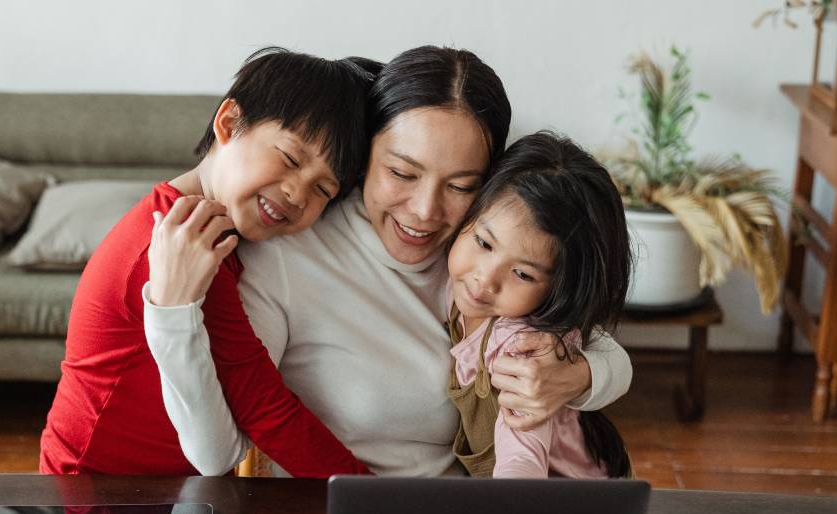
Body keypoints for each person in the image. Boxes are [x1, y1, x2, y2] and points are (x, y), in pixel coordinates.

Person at [144, 46, 634, 477]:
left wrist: (578, 376)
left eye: (461, 186)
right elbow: (219, 451)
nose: (424, 212)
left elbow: (600, 345)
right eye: (401, 173)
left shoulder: (478, 255)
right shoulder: (287, 255)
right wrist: (171, 314)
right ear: (363, 156)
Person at [39, 47, 375, 475]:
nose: (297, 193)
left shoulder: (218, 230)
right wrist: (373, 500)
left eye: (323, 190)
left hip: (153, 492)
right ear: (229, 123)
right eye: (290, 159)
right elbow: (263, 410)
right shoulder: (181, 244)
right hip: (94, 495)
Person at [444, 131, 632, 479]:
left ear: (559, 288)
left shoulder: (521, 344)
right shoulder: (454, 291)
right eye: (484, 243)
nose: (485, 279)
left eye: (523, 274)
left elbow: (522, 458)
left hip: (579, 504)